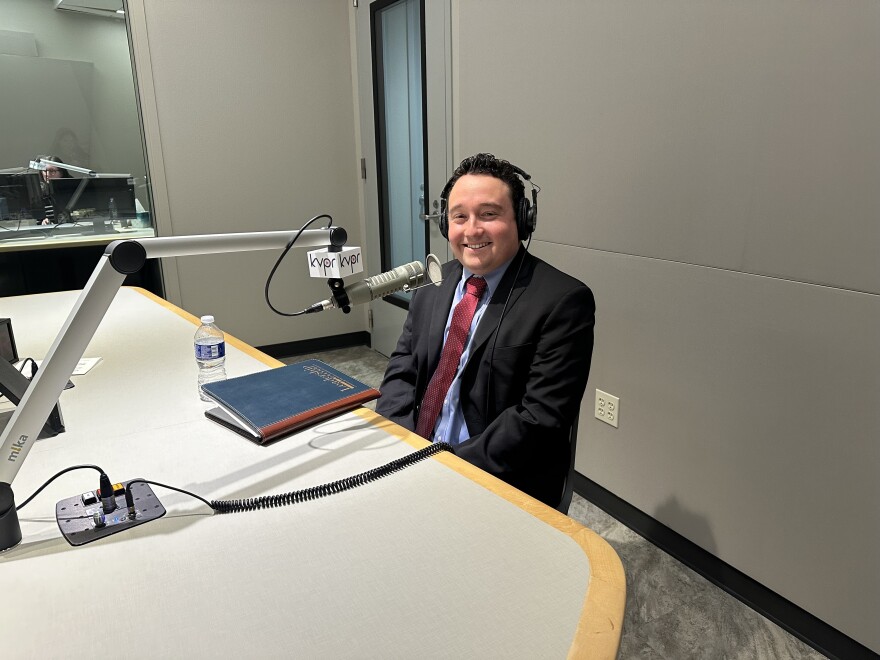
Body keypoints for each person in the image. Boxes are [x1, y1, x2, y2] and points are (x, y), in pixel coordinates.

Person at [376, 153, 595, 507]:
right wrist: (400, 441)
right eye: (459, 216)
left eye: (489, 214)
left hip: (495, 481)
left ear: (522, 220)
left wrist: (443, 468)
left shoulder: (563, 301)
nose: (472, 230)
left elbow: (538, 420)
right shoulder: (432, 284)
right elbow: (402, 368)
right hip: (414, 459)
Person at [33, 154, 72, 225]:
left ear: (61, 172)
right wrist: (43, 221)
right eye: (44, 171)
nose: (47, 174)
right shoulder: (38, 191)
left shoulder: (72, 189)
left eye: (52, 171)